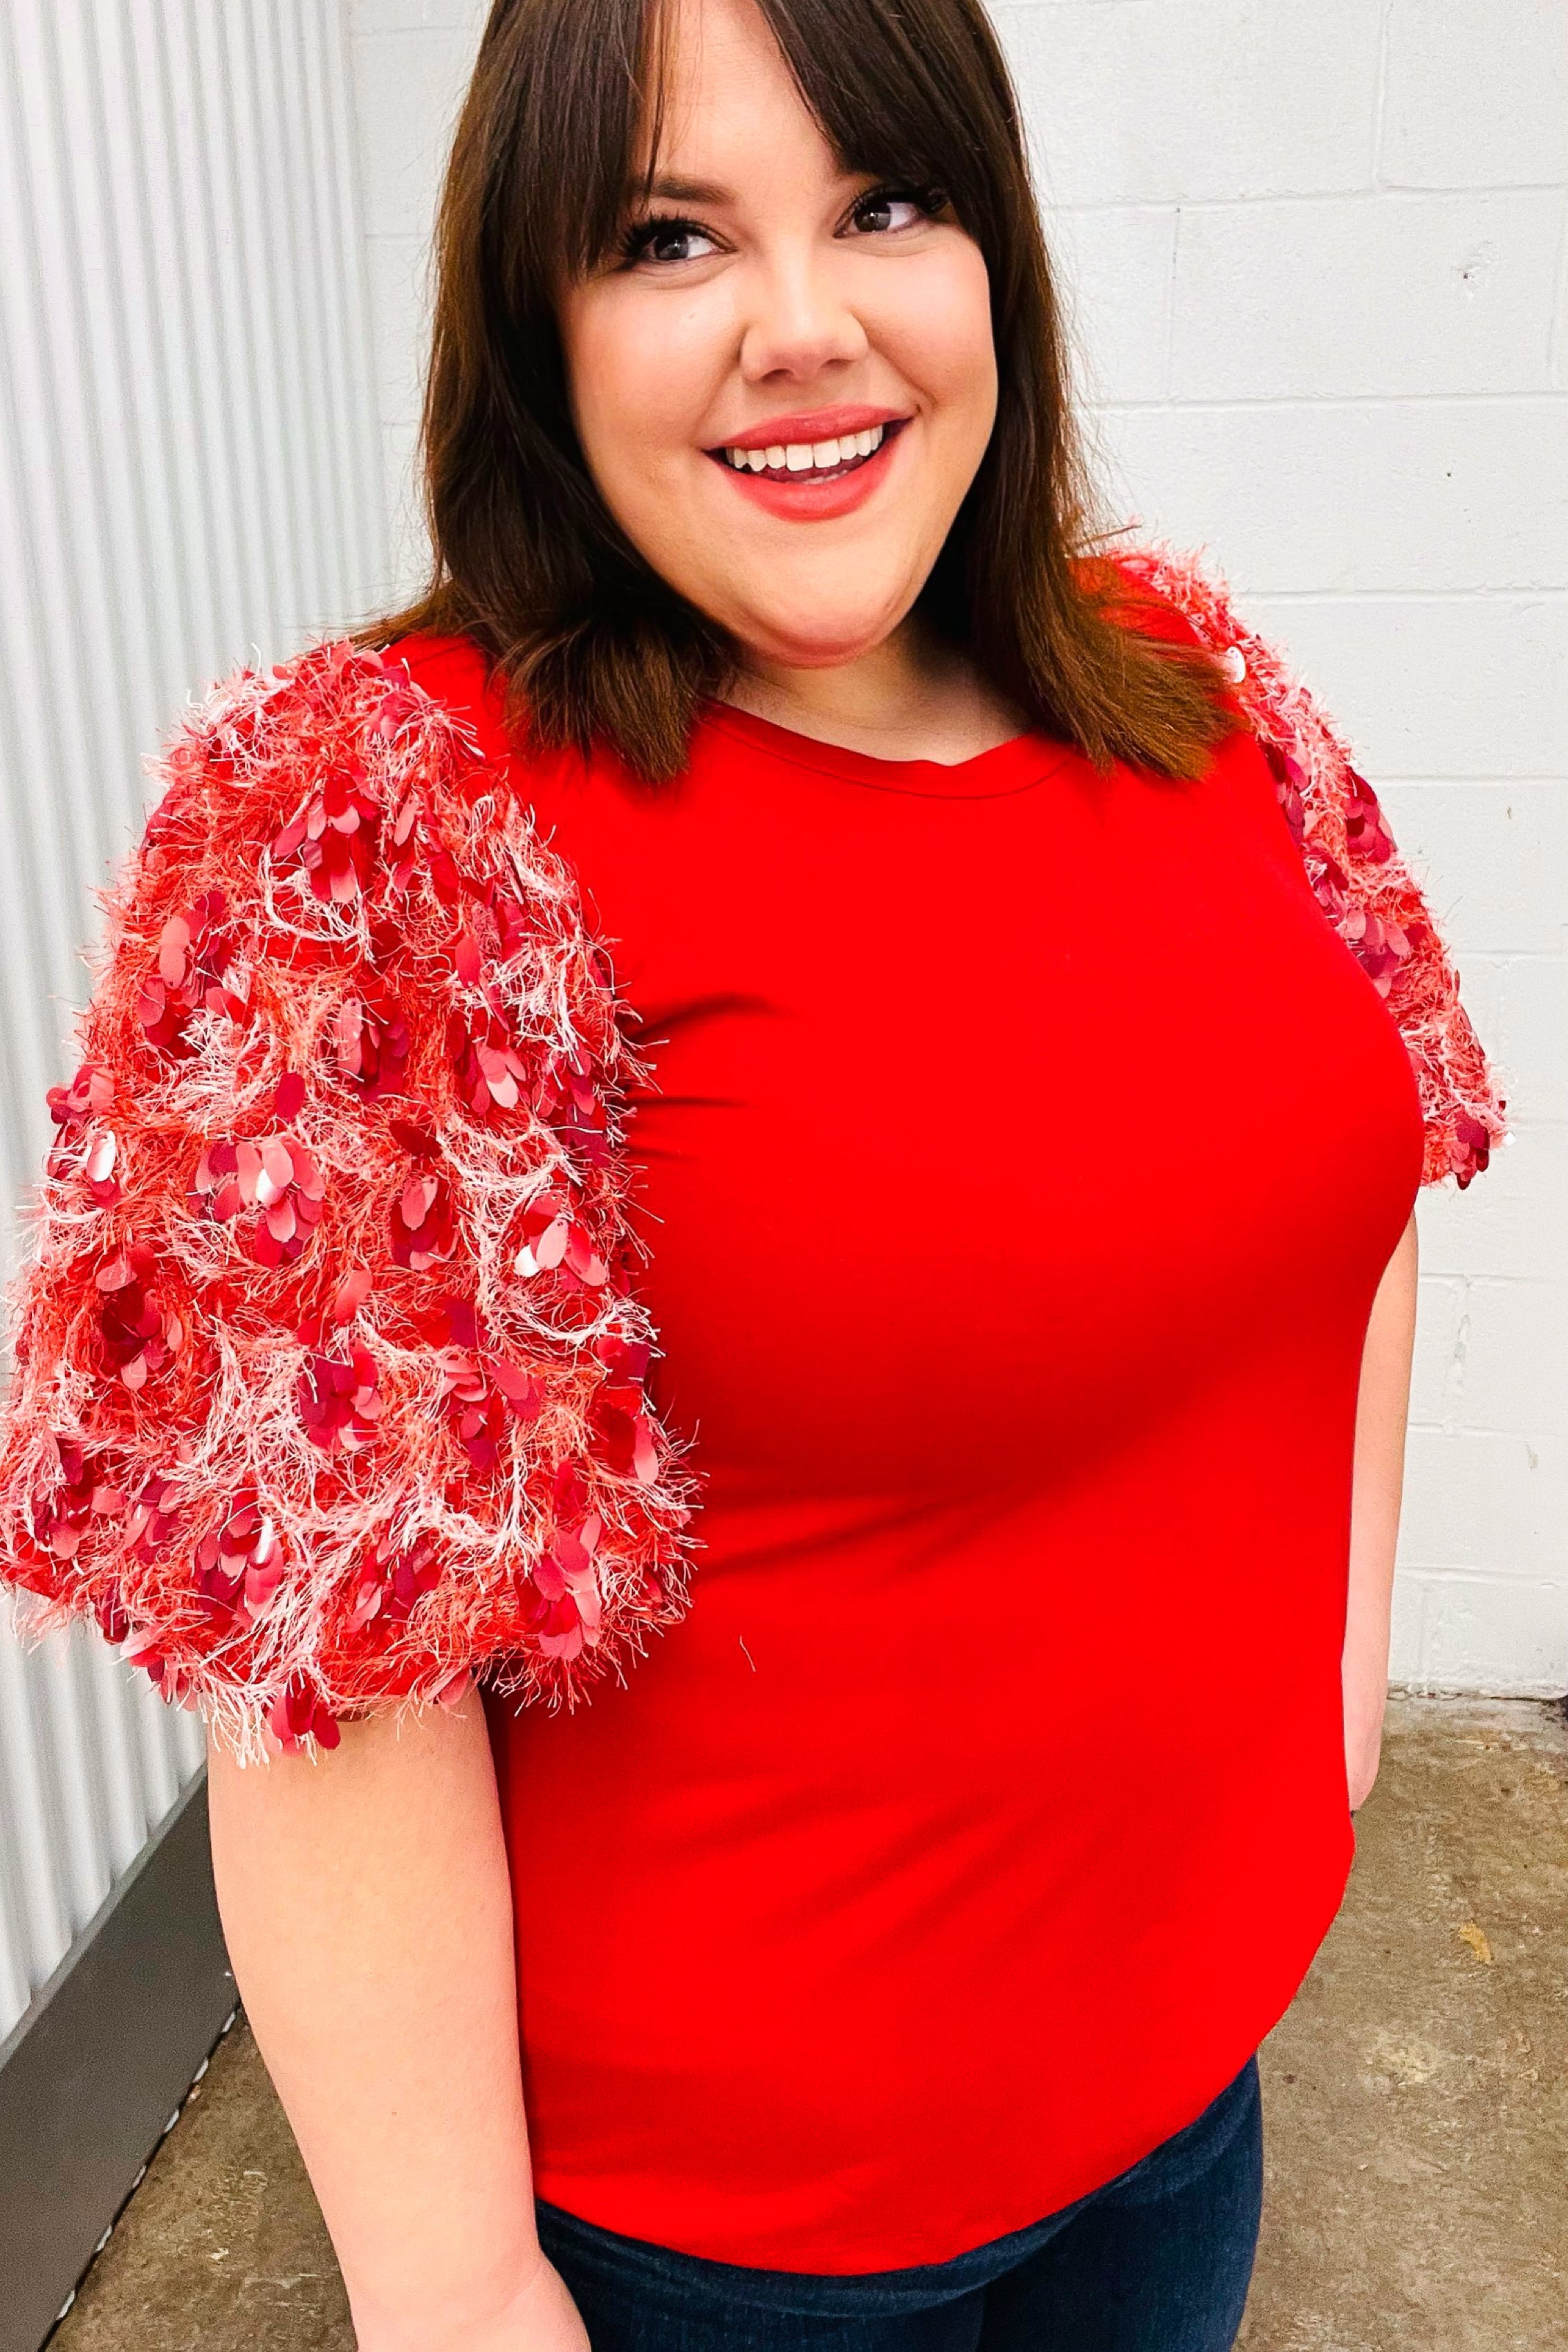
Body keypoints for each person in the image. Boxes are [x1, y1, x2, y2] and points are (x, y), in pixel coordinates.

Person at [0, 1, 1509, 2346]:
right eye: (667, 236)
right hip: (734, 2245)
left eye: (881, 205)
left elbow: (1359, 1189)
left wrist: (1319, 1735)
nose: (801, 326)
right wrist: (448, 2290)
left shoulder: (1189, 690)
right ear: (533, 317)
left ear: (989, 250)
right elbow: (333, 1664)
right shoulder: (389, 830)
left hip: (1177, 2095)